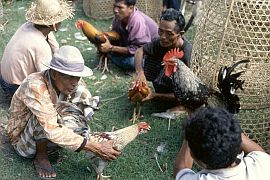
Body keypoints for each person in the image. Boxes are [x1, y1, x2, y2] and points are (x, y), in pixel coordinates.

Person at [7, 45, 121, 179]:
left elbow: (82, 104)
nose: (75, 82)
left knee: (80, 99)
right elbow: (51, 128)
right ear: (54, 74)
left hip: (50, 131)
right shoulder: (36, 85)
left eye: (77, 77)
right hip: (23, 141)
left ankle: (72, 140)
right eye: (70, 77)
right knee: (43, 117)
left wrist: (92, 138)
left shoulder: (72, 84)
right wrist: (95, 147)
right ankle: (41, 157)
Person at [0, 0, 73, 101]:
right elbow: (47, 78)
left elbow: (51, 39)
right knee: (55, 88)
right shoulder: (41, 46)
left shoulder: (28, 26)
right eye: (60, 19)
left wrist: (59, 53)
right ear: (54, 25)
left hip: (3, 78)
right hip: (15, 87)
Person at [174, 107, 270, 180]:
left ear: (201, 162)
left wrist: (190, 134)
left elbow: (181, 169)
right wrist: (226, 127)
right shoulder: (263, 164)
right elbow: (259, 152)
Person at [134, 8, 192, 117]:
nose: (163, 37)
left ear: (180, 34)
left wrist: (154, 95)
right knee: (150, 57)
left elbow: (189, 94)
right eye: (160, 30)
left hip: (182, 96)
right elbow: (139, 51)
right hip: (164, 87)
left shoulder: (187, 53)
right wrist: (139, 72)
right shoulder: (161, 42)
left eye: (169, 33)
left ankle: (182, 107)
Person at [98, 0, 159, 70]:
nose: (115, 10)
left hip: (148, 53)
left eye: (120, 7)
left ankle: (111, 56)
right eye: (114, 6)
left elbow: (139, 50)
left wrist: (111, 48)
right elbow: (116, 36)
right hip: (132, 47)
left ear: (130, 8)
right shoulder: (118, 17)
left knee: (131, 62)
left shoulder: (137, 21)